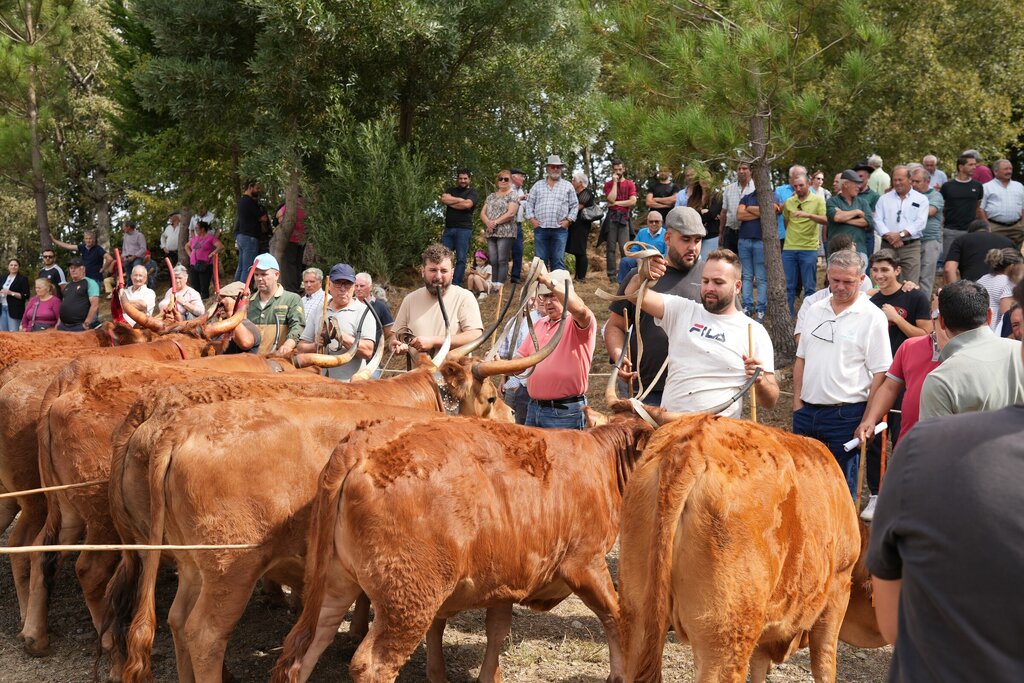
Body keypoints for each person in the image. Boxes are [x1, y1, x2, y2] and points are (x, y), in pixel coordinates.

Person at [866, 285, 1024, 682]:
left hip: (966, 519)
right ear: (989, 319)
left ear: (938, 325)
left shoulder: (944, 377)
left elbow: (936, 470)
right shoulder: (1014, 352)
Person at [625, 246, 778, 417]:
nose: (709, 288)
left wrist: (760, 380)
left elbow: (770, 402)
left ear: (737, 287)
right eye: (705, 281)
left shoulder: (754, 331)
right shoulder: (682, 310)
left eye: (718, 282)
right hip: (670, 428)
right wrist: (642, 276)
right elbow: (633, 293)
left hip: (717, 434)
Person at [792, 249, 892, 498]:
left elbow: (881, 372)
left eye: (848, 281)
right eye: (835, 280)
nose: (840, 287)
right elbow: (801, 358)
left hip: (845, 415)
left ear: (861, 279)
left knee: (839, 490)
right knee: (802, 483)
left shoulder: (873, 317)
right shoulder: (814, 309)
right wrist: (797, 403)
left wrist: (868, 418)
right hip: (806, 412)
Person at [858, 250, 933, 520]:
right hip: (878, 374)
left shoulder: (914, 296)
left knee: (904, 434)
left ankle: (904, 491)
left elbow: (927, 334)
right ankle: (876, 494)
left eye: (885, 270)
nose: (879, 276)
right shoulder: (870, 300)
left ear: (898, 270)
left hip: (909, 374)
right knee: (875, 433)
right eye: (875, 271)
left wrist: (897, 318)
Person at [607, 206, 706, 407]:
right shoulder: (639, 277)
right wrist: (619, 357)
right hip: (645, 388)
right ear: (668, 238)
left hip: (694, 390)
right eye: (685, 239)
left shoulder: (711, 279)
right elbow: (615, 326)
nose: (693, 247)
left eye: (697, 240)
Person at [919, 279, 1024, 419]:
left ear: (942, 322)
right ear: (989, 315)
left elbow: (934, 439)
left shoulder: (940, 379)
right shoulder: (1018, 351)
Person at [514, 270, 595, 430]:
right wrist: (499, 366)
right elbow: (520, 362)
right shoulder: (538, 324)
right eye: (545, 297)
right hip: (534, 408)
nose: (548, 302)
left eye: (553, 296)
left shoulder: (578, 323)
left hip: (565, 412)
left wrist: (549, 281)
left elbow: (579, 309)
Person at [391, 243, 484, 357]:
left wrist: (434, 341)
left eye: (444, 271)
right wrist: (396, 345)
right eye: (433, 270)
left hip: (453, 374)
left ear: (452, 273)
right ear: (423, 271)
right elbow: (395, 336)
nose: (438, 276)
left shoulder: (464, 297)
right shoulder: (410, 300)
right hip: (419, 374)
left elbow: (476, 336)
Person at [297, 263, 376, 380]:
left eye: (348, 284)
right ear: (329, 285)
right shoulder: (318, 311)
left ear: (354, 287)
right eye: (338, 283)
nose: (343, 289)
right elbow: (301, 347)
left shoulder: (364, 312)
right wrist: (315, 345)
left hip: (350, 385)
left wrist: (338, 335)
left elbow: (367, 351)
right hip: (319, 382)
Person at [871, 165, 929, 284]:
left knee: (910, 283)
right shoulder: (884, 199)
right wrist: (890, 236)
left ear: (909, 180)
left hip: (910, 247)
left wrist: (900, 235)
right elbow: (877, 220)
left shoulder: (921, 199)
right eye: (894, 180)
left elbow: (920, 222)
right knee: (886, 281)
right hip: (888, 245)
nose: (897, 183)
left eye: (900, 179)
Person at [782, 171, 827, 313]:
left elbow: (825, 220)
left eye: (801, 185)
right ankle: (788, 317)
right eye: (795, 186)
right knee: (788, 286)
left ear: (808, 184)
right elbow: (786, 221)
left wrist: (808, 215)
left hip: (809, 248)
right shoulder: (789, 202)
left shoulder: (818, 200)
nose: (798, 188)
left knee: (809, 287)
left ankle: (809, 315)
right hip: (789, 248)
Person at [525, 155, 578, 272]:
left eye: (558, 167)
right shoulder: (537, 185)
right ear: (547, 169)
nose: (556, 169)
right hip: (541, 229)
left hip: (560, 229)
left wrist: (568, 221)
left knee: (558, 260)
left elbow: (575, 205)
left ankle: (557, 289)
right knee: (540, 261)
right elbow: (529, 204)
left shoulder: (568, 186)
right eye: (553, 167)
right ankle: (541, 289)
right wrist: (532, 220)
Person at [246, 253, 305, 354]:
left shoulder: (292, 299)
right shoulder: (248, 302)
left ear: (276, 275)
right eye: (256, 274)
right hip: (251, 364)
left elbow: (297, 326)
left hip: (278, 362)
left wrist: (288, 345)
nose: (259, 278)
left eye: (264, 274)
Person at [736, 187, 781, 321]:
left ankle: (761, 309)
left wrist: (749, 208)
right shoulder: (746, 197)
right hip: (744, 240)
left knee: (761, 277)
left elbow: (771, 210)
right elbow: (739, 215)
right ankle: (747, 307)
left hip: (761, 241)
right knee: (747, 276)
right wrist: (761, 211)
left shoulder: (773, 196)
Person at [498, 296, 543, 425]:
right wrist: (504, 376)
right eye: (527, 298)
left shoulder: (543, 321)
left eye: (535, 298)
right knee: (512, 425)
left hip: (532, 387)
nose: (532, 302)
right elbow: (510, 353)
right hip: (515, 382)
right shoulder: (519, 322)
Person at [480, 169, 519, 293]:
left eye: (506, 179)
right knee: (493, 259)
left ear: (511, 182)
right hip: (491, 232)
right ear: (497, 181)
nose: (503, 181)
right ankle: (493, 284)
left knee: (502, 259)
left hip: (506, 232)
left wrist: (494, 222)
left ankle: (499, 286)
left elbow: (511, 213)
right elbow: (482, 213)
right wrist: (488, 223)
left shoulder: (513, 195)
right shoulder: (491, 196)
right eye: (500, 178)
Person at [940, 154, 984, 259]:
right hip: (950, 231)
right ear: (960, 167)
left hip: (971, 231)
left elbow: (978, 208)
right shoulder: (947, 186)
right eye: (971, 164)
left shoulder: (978, 186)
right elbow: (942, 208)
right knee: (949, 265)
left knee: (969, 263)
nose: (974, 167)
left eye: (975, 164)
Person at [909, 166, 944, 299]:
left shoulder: (935, 195)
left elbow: (930, 211)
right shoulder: (909, 195)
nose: (914, 184)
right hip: (911, 240)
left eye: (917, 181)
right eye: (912, 181)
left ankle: (923, 307)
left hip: (930, 239)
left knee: (926, 276)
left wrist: (911, 209)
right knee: (911, 276)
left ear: (927, 181)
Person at [439, 168, 479, 286]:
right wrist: (460, 200)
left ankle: (456, 284)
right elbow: (444, 199)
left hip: (464, 229)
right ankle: (443, 281)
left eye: (465, 178)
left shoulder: (473, 193)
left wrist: (453, 203)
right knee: (443, 256)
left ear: (469, 179)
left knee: (461, 258)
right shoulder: (450, 190)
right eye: (460, 178)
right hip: (448, 229)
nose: (462, 180)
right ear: (457, 179)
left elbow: (467, 204)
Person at [943, 219, 1014, 282]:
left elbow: (949, 269)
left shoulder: (961, 240)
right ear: (989, 229)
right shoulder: (1007, 241)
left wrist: (954, 293)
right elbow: (1020, 266)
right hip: (1001, 288)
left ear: (970, 232)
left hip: (972, 289)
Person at [603, 159, 638, 281]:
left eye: (620, 169)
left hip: (624, 218)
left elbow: (633, 201)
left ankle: (626, 274)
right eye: (615, 169)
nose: (618, 172)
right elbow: (611, 199)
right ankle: (611, 275)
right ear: (612, 170)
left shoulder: (630, 184)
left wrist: (616, 203)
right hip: (612, 218)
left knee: (625, 248)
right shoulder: (608, 184)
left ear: (624, 169)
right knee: (611, 249)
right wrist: (614, 182)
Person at [826, 169, 875, 257]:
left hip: (859, 252)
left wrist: (844, 218)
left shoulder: (863, 202)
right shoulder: (832, 201)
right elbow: (837, 218)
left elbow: (868, 222)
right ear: (845, 184)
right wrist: (857, 212)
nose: (858, 187)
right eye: (856, 183)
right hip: (837, 253)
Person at [979, 158, 1024, 249]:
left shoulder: (1019, 186)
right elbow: (980, 209)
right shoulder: (986, 187)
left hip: (1017, 228)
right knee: (996, 256)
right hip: (996, 228)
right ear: (995, 172)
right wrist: (987, 226)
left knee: (1015, 256)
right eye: (1005, 169)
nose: (1009, 171)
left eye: (1010, 169)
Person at [976, 247, 1022, 332]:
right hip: (996, 335)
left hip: (978, 332)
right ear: (1012, 267)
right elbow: (1007, 317)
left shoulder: (982, 279)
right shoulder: (1008, 283)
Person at [615, 211, 667, 284]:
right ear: (647, 222)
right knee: (624, 261)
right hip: (640, 259)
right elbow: (634, 249)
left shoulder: (666, 234)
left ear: (662, 222)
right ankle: (622, 286)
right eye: (651, 221)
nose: (653, 224)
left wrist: (653, 261)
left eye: (656, 221)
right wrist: (638, 259)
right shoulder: (642, 232)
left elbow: (666, 253)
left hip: (656, 262)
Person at [210, 281, 260, 354]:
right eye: (220, 304)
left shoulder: (249, 327)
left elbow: (245, 343)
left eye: (224, 304)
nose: (221, 308)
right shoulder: (220, 327)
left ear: (240, 301)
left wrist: (230, 312)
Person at [234, 179, 268, 281]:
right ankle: (243, 291)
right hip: (250, 238)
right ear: (250, 187)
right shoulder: (249, 201)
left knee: (241, 267)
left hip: (242, 236)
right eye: (257, 188)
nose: (259, 190)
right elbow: (263, 218)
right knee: (248, 268)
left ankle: (236, 291)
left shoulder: (242, 201)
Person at [718, 162, 755, 253]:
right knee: (728, 263)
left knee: (744, 264)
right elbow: (723, 212)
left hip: (749, 234)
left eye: (744, 168)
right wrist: (721, 232)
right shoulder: (729, 188)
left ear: (751, 171)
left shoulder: (756, 188)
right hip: (729, 232)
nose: (741, 171)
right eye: (739, 169)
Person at [568, 170, 597, 281]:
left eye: (574, 179)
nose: (572, 181)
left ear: (580, 182)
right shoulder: (576, 193)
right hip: (575, 225)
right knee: (577, 252)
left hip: (581, 226)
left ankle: (582, 277)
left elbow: (577, 207)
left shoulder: (586, 193)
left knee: (580, 251)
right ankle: (577, 276)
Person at [58, 257, 100, 331]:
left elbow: (95, 305)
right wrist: (58, 323)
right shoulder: (68, 285)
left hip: (79, 326)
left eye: (76, 267)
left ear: (83, 269)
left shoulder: (90, 283)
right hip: (63, 326)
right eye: (71, 268)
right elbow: (64, 304)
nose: (73, 270)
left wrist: (86, 324)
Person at [276, 194, 307, 292]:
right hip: (302, 239)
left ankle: (291, 288)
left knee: (289, 264)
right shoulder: (306, 207)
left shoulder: (292, 206)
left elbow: (278, 214)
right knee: (298, 264)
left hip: (291, 238)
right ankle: (297, 286)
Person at [354, 271, 394, 348]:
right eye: (356, 286)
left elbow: (389, 330)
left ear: (370, 287)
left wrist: (376, 340)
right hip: (350, 352)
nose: (358, 289)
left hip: (372, 354)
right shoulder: (349, 305)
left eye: (362, 286)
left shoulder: (381, 306)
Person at [185, 220, 223, 299]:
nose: (195, 230)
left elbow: (220, 246)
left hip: (205, 264)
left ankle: (205, 301)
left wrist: (212, 254)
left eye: (197, 228)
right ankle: (196, 301)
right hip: (194, 264)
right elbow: (186, 246)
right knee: (195, 285)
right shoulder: (195, 238)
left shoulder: (210, 238)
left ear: (202, 229)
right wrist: (190, 255)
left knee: (204, 286)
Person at [0, 259, 31, 331]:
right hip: (2, 308)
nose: (13, 267)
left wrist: (11, 293)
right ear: (8, 267)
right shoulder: (3, 277)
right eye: (11, 265)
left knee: (13, 333)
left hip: (15, 310)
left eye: (15, 265)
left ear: (19, 267)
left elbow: (26, 295)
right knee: (3, 333)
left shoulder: (23, 279)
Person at [509, 168, 528, 284]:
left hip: (518, 225)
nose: (523, 179)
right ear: (514, 177)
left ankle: (515, 277)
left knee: (518, 251)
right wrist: (519, 199)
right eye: (522, 176)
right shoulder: (506, 188)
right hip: (506, 225)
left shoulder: (521, 191)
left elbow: (525, 207)